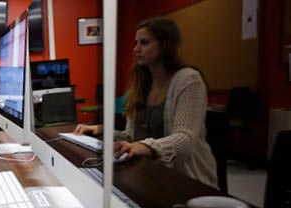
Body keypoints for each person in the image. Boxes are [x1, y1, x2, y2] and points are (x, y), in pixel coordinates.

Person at [74, 17, 217, 188]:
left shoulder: (189, 80)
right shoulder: (142, 83)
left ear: (165, 45)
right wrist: (100, 130)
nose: (136, 49)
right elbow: (131, 137)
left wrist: (144, 147)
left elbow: (185, 139)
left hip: (186, 180)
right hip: (148, 175)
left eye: (144, 42)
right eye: (136, 43)